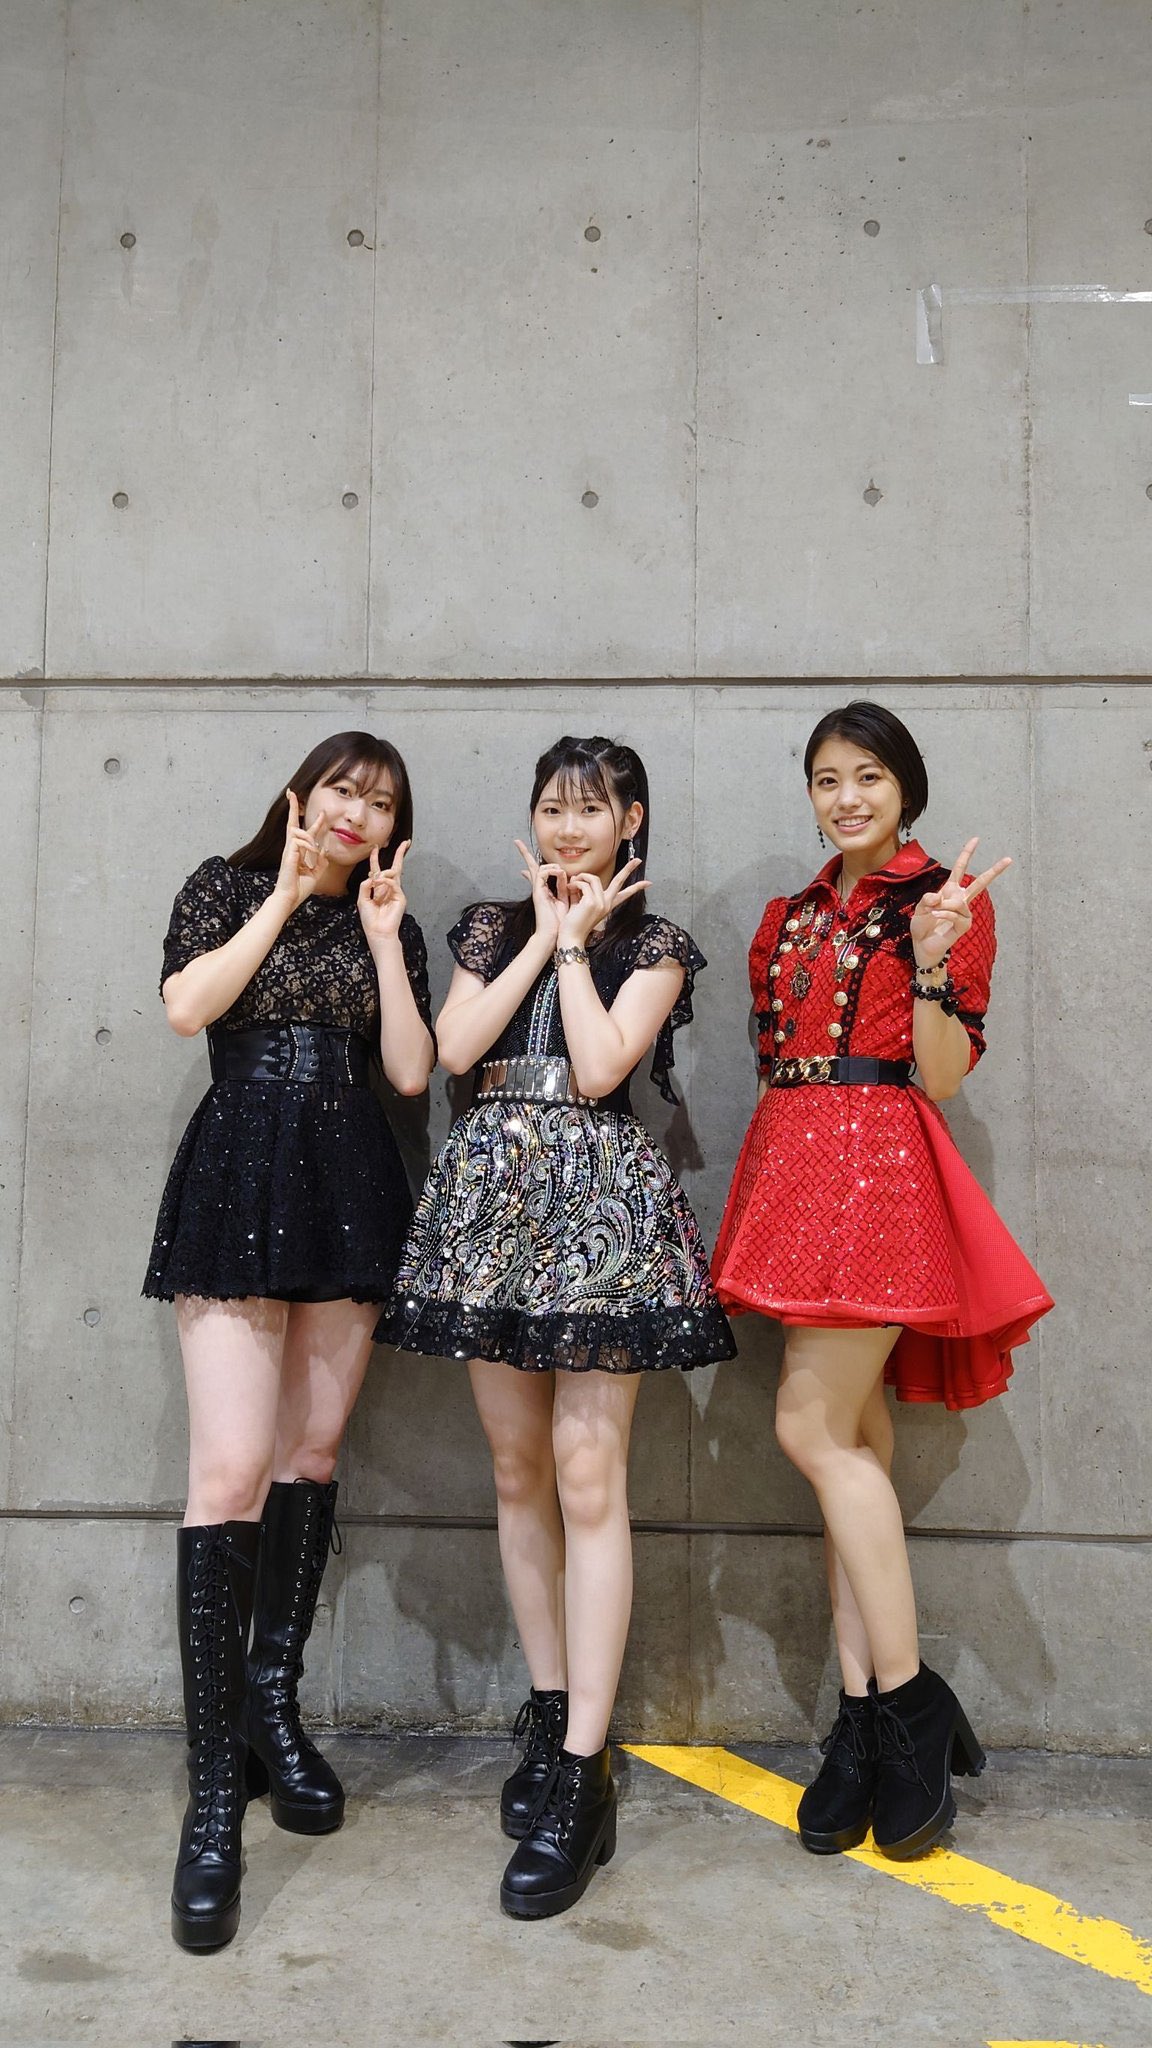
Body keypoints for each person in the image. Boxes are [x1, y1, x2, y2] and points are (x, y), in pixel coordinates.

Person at [378, 735, 735, 1918]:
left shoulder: (656, 943)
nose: (570, 826)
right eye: (553, 807)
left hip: (598, 1211)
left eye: (593, 809)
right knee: (517, 1468)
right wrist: (541, 930)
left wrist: (580, 943)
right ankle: (546, 1705)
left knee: (590, 1478)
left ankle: (584, 1764)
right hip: (490, 1199)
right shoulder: (491, 924)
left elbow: (598, 1067)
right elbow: (455, 1050)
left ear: (632, 821)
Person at [711, 701, 1053, 1862]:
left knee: (808, 1428)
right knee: (850, 1439)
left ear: (906, 787)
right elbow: (779, 1053)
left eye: (867, 775)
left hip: (879, 1170)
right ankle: (858, 1723)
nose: (846, 796)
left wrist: (936, 958)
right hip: (793, 1165)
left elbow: (943, 1076)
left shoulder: (944, 901)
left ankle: (909, 1700)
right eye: (826, 777)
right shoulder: (790, 914)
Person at [144, 732, 434, 1950]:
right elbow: (187, 1008)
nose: (359, 812)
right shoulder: (222, 882)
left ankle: (273, 1701)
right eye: (343, 791)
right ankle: (214, 1795)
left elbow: (409, 1073)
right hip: (240, 1164)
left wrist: (383, 937)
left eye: (382, 802)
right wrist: (283, 892)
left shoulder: (387, 917)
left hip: (349, 1174)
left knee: (309, 1458)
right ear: (302, 795)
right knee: (226, 1475)